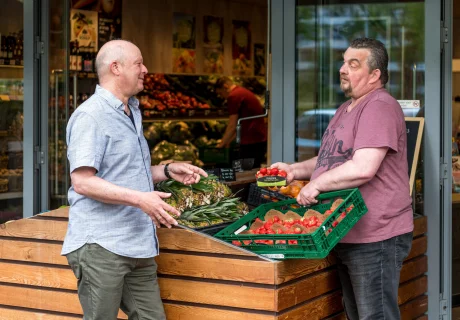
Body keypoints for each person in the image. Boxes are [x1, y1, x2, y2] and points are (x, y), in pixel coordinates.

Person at [62, 39, 207, 320]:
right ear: (116, 68)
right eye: (139, 63)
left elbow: (126, 172)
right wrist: (141, 199)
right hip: (101, 246)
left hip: (136, 244)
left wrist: (167, 170)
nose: (145, 69)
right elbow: (82, 181)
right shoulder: (91, 116)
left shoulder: (131, 111)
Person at [272, 38, 413, 320]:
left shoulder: (379, 106)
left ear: (375, 75)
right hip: (347, 231)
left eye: (353, 64)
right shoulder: (345, 109)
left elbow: (363, 167)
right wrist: (295, 170)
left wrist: (316, 185)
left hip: (377, 236)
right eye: (343, 61)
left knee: (376, 316)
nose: (343, 69)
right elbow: (331, 161)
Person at [214, 77, 267, 167]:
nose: (222, 97)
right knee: (253, 170)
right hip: (259, 138)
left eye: (220, 93)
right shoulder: (242, 92)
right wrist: (228, 141)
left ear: (225, 86)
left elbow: (232, 125)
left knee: (246, 172)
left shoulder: (234, 96)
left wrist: (221, 145)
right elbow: (240, 123)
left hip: (251, 141)